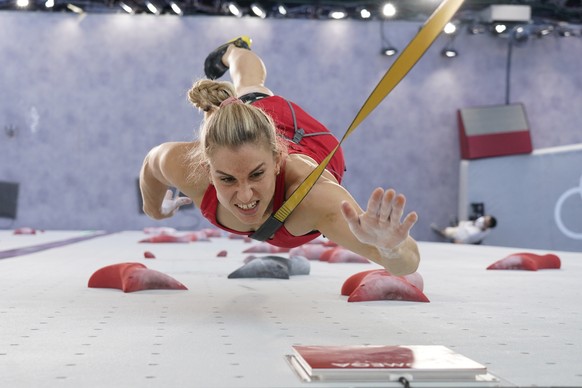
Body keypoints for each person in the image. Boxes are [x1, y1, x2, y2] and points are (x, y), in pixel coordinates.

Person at [139, 36, 420, 276]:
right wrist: (155, 210)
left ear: (276, 160)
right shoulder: (185, 166)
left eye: (256, 174)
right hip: (251, 132)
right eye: (227, 179)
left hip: (304, 138)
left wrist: (391, 247)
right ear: (206, 168)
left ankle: (235, 51)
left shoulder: (315, 198)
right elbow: (151, 165)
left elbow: (406, 265)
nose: (246, 196)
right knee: (248, 89)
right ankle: (236, 49)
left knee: (253, 89)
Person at [431, 215, 497, 244]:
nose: (484, 219)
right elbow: (474, 222)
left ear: (488, 226)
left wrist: (461, 242)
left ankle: (439, 232)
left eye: (486, 222)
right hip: (465, 227)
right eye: (486, 217)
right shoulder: (482, 220)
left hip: (462, 235)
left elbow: (471, 238)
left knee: (447, 232)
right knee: (455, 227)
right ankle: (454, 225)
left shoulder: (482, 232)